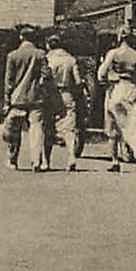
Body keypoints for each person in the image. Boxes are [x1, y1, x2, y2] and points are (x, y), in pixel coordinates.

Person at [96, 26, 136, 172]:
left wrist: (105, 82)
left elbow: (101, 73)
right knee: (132, 123)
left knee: (113, 125)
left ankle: (115, 161)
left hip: (116, 88)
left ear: (119, 37)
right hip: (131, 89)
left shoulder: (113, 53)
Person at [3, 26, 52, 171]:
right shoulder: (41, 54)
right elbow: (46, 75)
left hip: (17, 98)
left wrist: (7, 101)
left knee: (14, 131)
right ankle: (36, 161)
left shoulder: (13, 56)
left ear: (21, 37)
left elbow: (9, 81)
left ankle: (12, 161)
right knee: (36, 129)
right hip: (36, 97)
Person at [42, 28, 85, 172]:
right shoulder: (70, 59)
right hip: (67, 93)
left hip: (51, 94)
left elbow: (43, 80)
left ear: (49, 45)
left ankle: (46, 161)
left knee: (48, 128)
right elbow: (78, 81)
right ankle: (71, 157)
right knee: (69, 128)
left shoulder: (47, 59)